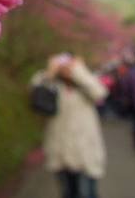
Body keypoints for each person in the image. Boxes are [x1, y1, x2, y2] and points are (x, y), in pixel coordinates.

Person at [32, 54, 108, 198]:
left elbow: (100, 93)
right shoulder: (50, 83)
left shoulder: (84, 82)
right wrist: (50, 73)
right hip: (60, 149)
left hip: (85, 151)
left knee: (86, 193)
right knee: (68, 192)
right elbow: (37, 98)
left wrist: (78, 72)